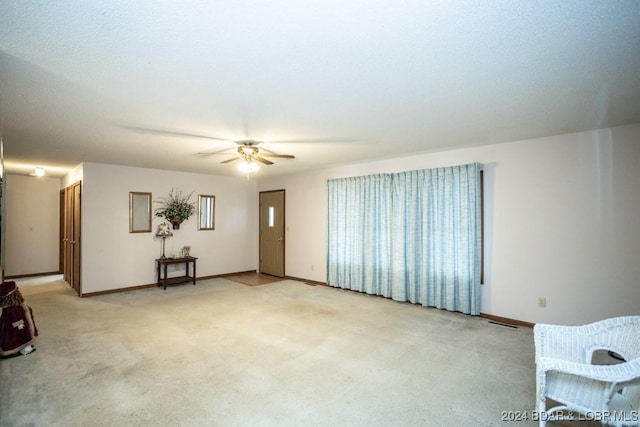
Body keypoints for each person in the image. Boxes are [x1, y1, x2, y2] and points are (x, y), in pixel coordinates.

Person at [0, 281, 38, 358]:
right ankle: (22, 348)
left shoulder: (5, 309)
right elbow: (26, 310)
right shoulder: (18, 303)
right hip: (20, 322)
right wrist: (32, 332)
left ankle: (10, 349)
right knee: (22, 334)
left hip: (9, 323)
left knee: (10, 335)